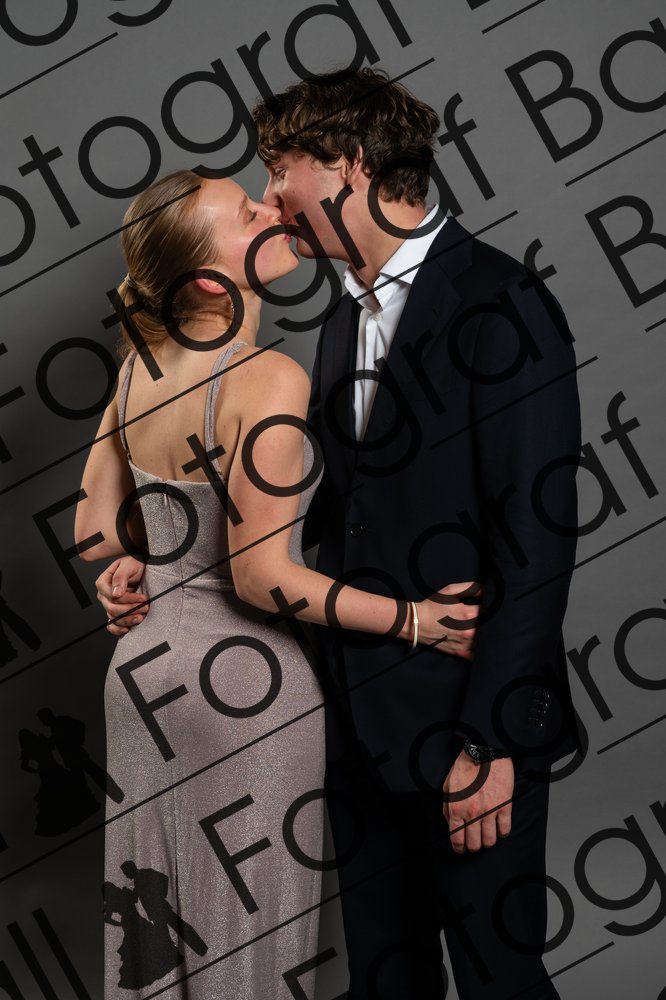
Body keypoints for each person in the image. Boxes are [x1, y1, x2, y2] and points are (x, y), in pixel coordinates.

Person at [76, 167, 476, 999]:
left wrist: (143, 564)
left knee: (150, 938)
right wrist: (413, 619)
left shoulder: (140, 368)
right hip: (242, 689)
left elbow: (93, 532)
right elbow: (262, 581)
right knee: (243, 950)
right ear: (208, 278)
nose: (270, 208)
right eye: (244, 212)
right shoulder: (267, 378)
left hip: (141, 678)